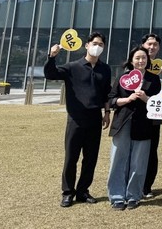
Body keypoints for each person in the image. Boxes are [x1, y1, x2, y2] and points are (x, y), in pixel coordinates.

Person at [44, 31, 112, 207]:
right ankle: (68, 192)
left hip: (95, 119)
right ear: (87, 45)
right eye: (94, 43)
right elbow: (51, 74)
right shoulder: (72, 67)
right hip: (75, 119)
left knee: (90, 158)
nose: (97, 47)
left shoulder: (105, 69)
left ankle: (83, 191)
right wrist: (51, 57)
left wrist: (107, 112)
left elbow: (107, 92)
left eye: (101, 45)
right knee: (71, 157)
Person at [107, 46, 162, 210]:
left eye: (144, 58)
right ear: (131, 60)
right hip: (123, 122)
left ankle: (134, 195)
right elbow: (111, 99)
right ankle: (117, 196)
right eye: (137, 58)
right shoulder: (123, 77)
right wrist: (127, 99)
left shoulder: (154, 79)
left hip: (144, 124)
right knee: (118, 159)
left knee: (139, 162)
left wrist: (146, 98)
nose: (141, 61)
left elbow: (160, 103)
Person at [141, 33, 162, 198]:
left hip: (153, 117)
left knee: (151, 152)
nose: (152, 47)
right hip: (134, 116)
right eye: (149, 44)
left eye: (155, 44)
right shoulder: (134, 65)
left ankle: (147, 186)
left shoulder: (161, 69)